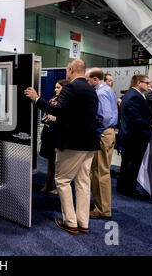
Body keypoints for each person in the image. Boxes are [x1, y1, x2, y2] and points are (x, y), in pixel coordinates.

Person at [25, 59, 100, 235]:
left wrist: (36, 99)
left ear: (71, 69)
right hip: (89, 143)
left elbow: (57, 110)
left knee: (63, 181)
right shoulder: (91, 89)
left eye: (67, 70)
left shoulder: (71, 88)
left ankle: (70, 222)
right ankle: (83, 222)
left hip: (72, 143)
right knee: (83, 182)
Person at [86, 68, 118, 220]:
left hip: (103, 134)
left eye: (88, 80)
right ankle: (100, 203)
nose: (87, 83)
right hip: (108, 133)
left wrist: (97, 130)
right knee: (99, 171)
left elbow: (105, 116)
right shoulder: (108, 90)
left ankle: (103, 209)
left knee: (101, 173)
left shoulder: (101, 92)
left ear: (95, 79)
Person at [116, 74, 152, 199]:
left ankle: (123, 187)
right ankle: (128, 189)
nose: (148, 85)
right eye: (146, 83)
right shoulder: (134, 96)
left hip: (131, 136)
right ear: (138, 82)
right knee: (132, 164)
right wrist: (148, 130)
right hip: (134, 137)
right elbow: (136, 119)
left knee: (127, 164)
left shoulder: (133, 94)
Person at [40, 79, 69, 194]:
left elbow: (68, 120)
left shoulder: (67, 101)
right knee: (50, 161)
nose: (55, 89)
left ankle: (59, 187)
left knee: (60, 163)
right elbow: (46, 114)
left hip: (60, 135)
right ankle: (48, 184)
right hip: (49, 134)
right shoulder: (52, 100)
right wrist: (45, 118)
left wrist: (56, 119)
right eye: (55, 87)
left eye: (58, 87)